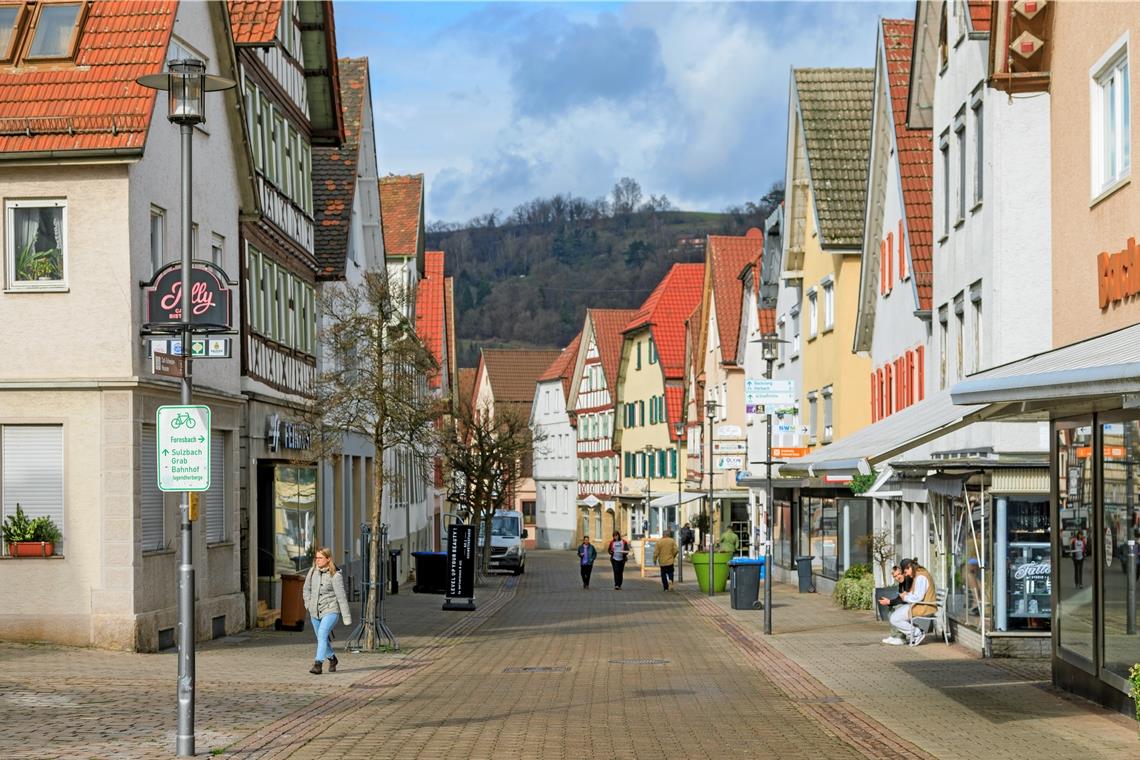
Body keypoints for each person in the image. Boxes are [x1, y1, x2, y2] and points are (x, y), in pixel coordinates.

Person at [302, 547, 352, 675]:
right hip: (314, 611)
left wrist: (346, 617)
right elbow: (306, 589)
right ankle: (333, 659)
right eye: (316, 558)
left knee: (323, 634)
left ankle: (318, 664)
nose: (317, 560)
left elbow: (341, 597)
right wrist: (308, 603)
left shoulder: (335, 575)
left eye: (320, 558)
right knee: (321, 638)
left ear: (328, 559)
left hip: (330, 610)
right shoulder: (312, 571)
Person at [890, 558, 937, 647]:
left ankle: (917, 633)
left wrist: (905, 597)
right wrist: (907, 594)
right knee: (894, 617)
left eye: (905, 572)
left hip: (924, 606)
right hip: (921, 604)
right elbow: (918, 593)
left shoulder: (921, 577)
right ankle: (916, 632)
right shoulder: (920, 573)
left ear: (909, 567)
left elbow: (918, 597)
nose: (906, 574)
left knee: (895, 619)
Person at [877, 565, 913, 645]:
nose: (898, 577)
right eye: (895, 576)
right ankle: (894, 635)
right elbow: (899, 598)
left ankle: (901, 638)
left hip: (914, 605)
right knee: (891, 610)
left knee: (897, 609)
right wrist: (889, 602)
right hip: (907, 604)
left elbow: (903, 598)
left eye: (899, 574)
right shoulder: (901, 583)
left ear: (903, 572)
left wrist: (889, 601)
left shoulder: (908, 580)